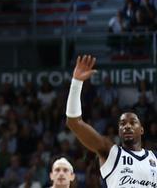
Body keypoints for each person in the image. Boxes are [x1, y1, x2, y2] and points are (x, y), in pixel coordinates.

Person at [66, 54, 157, 185]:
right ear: (119, 131)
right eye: (122, 124)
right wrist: (76, 83)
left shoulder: (154, 158)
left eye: (133, 123)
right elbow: (74, 122)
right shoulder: (110, 152)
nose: (127, 126)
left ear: (142, 129)